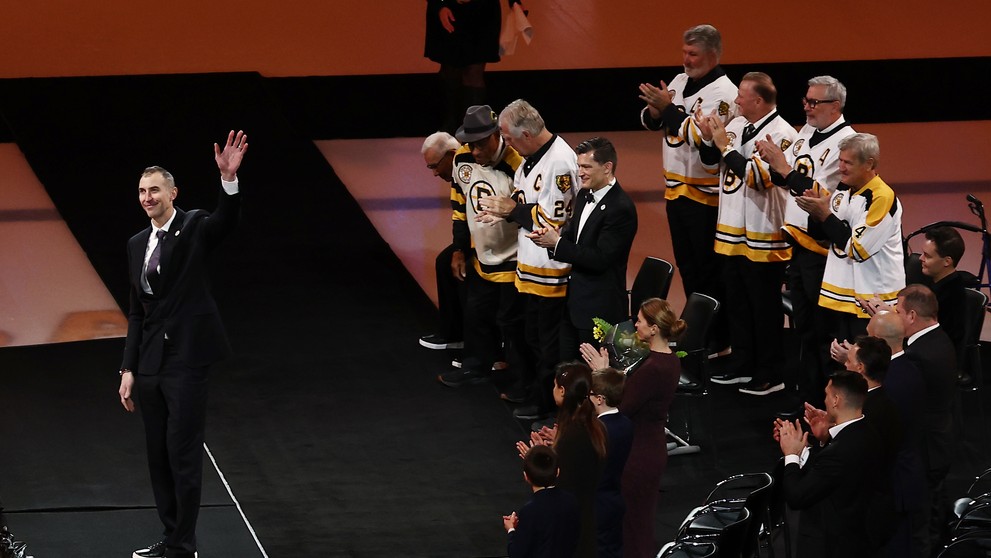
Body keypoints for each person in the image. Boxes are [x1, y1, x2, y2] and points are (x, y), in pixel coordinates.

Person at [118, 130, 247, 558]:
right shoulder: (138, 244)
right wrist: (127, 368)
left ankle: (182, 546)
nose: (147, 197)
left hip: (187, 359)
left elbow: (224, 223)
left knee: (182, 452)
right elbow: (137, 311)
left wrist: (228, 180)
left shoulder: (192, 225)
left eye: (154, 189)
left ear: (173, 193)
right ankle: (171, 536)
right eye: (141, 191)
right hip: (151, 361)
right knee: (158, 455)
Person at [756, 76, 857, 408]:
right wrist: (773, 162)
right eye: (806, 101)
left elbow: (815, 193)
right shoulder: (806, 133)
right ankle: (809, 397)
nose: (808, 107)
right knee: (804, 329)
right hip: (798, 247)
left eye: (815, 103)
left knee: (823, 331)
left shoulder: (847, 143)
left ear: (836, 106)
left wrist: (782, 167)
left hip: (823, 252)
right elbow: (785, 177)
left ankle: (829, 402)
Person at [695, 71, 797, 395]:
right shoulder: (738, 125)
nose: (736, 100)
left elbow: (756, 177)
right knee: (737, 304)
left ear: (759, 100)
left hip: (763, 236)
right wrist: (709, 138)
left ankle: (770, 373)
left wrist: (725, 148)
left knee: (763, 309)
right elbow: (713, 164)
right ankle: (742, 364)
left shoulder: (783, 135)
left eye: (742, 96)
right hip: (731, 234)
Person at [638, 24, 737, 356]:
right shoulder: (680, 82)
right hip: (676, 191)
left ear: (712, 54)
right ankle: (697, 333)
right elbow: (659, 121)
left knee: (708, 270)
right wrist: (656, 110)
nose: (685, 59)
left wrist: (668, 109)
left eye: (693, 54)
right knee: (689, 267)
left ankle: (718, 338)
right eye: (683, 51)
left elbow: (702, 137)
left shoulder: (724, 94)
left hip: (705, 196)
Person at [479, 99, 579, 420]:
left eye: (507, 137)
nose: (506, 143)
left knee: (548, 345)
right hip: (530, 269)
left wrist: (512, 211)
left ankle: (549, 406)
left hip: (551, 272)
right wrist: (502, 211)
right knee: (533, 337)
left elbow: (552, 220)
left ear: (525, 134)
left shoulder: (560, 163)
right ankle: (537, 392)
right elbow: (523, 204)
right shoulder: (528, 161)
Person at [581, 297, 684, 558]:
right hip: (648, 447)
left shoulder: (654, 368)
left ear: (654, 328)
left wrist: (602, 373)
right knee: (637, 522)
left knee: (633, 525)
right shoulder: (666, 359)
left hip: (638, 454)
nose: (634, 324)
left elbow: (621, 407)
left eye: (639, 320)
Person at [794, 133, 904, 365]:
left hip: (870, 302)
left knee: (864, 367)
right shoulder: (843, 190)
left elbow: (858, 248)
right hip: (839, 297)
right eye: (840, 161)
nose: (841, 168)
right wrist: (817, 213)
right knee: (835, 363)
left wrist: (825, 216)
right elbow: (825, 236)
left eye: (848, 162)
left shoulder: (882, 197)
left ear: (870, 164)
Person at [527, 137, 638, 360]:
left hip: (599, 310)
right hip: (574, 304)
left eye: (586, 166)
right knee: (567, 370)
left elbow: (600, 259)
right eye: (579, 166)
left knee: (594, 378)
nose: (580, 172)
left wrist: (556, 244)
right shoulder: (584, 195)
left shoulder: (621, 208)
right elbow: (572, 236)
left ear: (607, 168)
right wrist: (551, 237)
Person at [437, 106, 525, 388]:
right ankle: (476, 366)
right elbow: (459, 207)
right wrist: (459, 249)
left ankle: (519, 378)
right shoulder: (461, 158)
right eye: (470, 143)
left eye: (481, 144)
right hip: (481, 255)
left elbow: (531, 213)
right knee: (476, 316)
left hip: (515, 258)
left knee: (512, 323)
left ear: (497, 135)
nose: (474, 151)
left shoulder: (519, 164)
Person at [776, 371, 885, 558]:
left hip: (833, 544)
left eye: (826, 395)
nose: (824, 400)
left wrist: (791, 454)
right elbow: (830, 474)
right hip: (859, 536)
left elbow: (797, 496)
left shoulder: (840, 452)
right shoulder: (868, 431)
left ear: (836, 400)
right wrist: (818, 442)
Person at [518, 363, 607, 558]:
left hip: (567, 529)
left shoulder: (573, 435)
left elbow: (558, 481)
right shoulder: (593, 426)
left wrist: (536, 459)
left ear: (563, 391)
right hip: (585, 519)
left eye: (555, 385)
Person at [895, 284, 957, 554]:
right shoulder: (939, 339)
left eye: (897, 311)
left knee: (922, 520)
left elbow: (905, 396)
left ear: (911, 316)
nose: (894, 316)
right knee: (934, 506)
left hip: (927, 447)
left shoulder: (919, 354)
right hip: (940, 438)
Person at [424, 0, 522, 134]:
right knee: (450, 68)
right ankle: (449, 125)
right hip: (449, 8)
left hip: (482, 12)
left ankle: (471, 127)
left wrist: (514, 2)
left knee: (474, 71)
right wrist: (440, 5)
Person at [419, 132, 467, 353]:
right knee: (445, 261)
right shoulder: (458, 173)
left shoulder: (467, 170)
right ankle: (454, 333)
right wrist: (459, 247)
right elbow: (460, 214)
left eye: (435, 166)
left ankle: (470, 337)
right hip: (475, 233)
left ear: (451, 154)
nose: (435, 173)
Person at [503, 445, 581, 558]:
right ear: (557, 472)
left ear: (526, 476)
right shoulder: (571, 501)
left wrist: (511, 529)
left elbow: (517, 553)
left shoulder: (529, 511)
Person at [590, 367, 633, 558]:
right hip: (615, 499)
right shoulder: (626, 424)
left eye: (589, 394)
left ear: (600, 398)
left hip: (596, 503)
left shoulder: (598, 431)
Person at [919, 226, 970, 380]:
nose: (921, 258)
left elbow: (931, 338)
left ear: (947, 261)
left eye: (927, 256)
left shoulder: (952, 296)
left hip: (938, 367)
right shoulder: (938, 284)